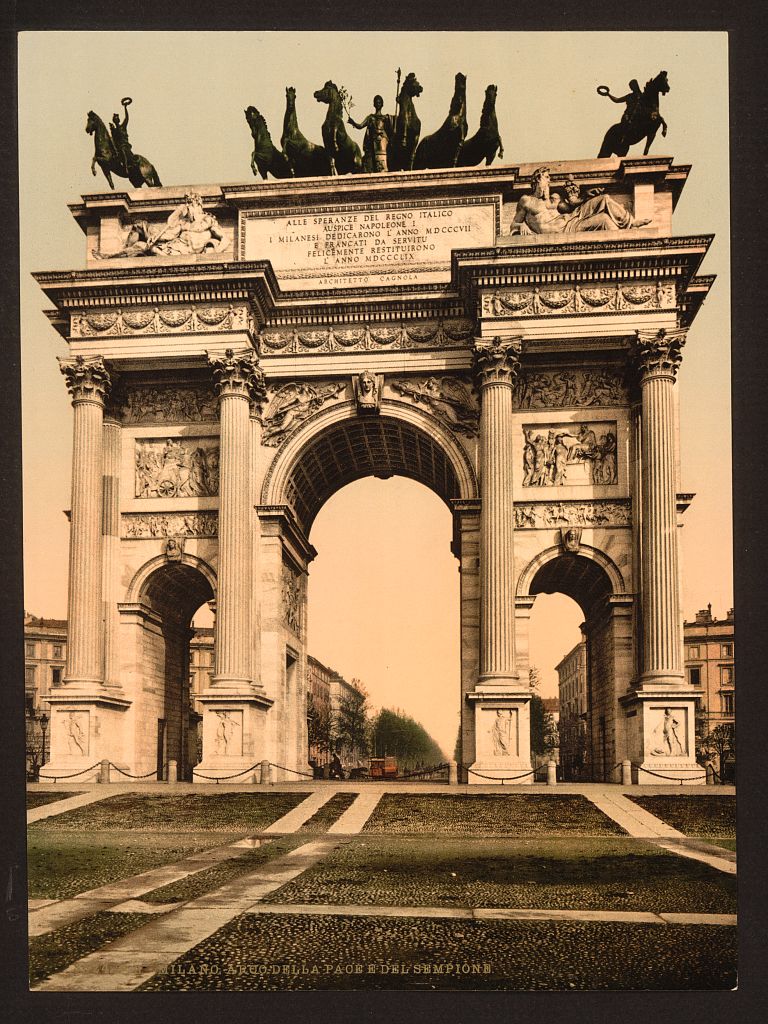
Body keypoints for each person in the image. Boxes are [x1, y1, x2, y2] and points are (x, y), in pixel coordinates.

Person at [511, 167, 651, 235]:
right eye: (546, 177)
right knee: (604, 220)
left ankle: (631, 223)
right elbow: (513, 224)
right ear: (537, 179)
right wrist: (520, 226)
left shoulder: (553, 199)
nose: (549, 181)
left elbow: (570, 206)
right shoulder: (526, 201)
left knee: (604, 198)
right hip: (566, 230)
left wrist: (585, 197)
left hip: (571, 219)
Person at [348, 95, 393, 172]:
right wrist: (353, 122)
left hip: (383, 142)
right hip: (373, 143)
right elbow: (360, 126)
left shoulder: (386, 118)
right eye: (376, 102)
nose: (378, 104)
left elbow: (393, 129)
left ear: (382, 104)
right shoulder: (370, 118)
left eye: (379, 102)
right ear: (374, 104)